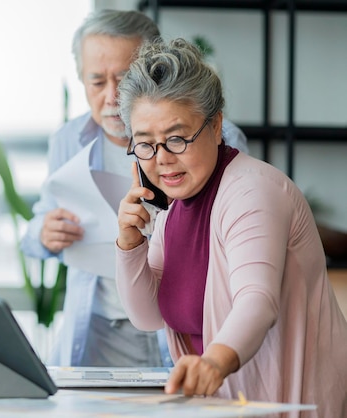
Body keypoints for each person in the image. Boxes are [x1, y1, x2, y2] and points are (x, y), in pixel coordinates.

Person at [115, 37, 347, 415]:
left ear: (215, 124)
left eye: (176, 138)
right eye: (146, 144)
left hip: (289, 406)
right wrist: (129, 243)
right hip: (227, 407)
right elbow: (147, 316)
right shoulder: (173, 211)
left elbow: (257, 301)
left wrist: (213, 362)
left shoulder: (252, 190)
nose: (163, 160)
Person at [20, 9, 249, 367]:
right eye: (97, 82)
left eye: (124, 80)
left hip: (184, 325)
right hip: (98, 329)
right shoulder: (67, 141)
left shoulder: (217, 138)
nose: (111, 97)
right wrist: (44, 232)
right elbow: (33, 232)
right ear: (81, 80)